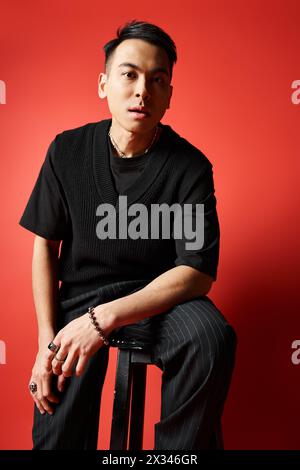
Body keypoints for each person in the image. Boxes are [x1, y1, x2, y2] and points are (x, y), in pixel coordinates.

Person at [19, 19, 237, 450]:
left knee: (210, 336)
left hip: (157, 299)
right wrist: (47, 339)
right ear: (103, 84)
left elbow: (195, 272)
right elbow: (45, 243)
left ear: (169, 95)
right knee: (55, 430)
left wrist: (105, 320)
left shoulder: (190, 167)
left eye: (158, 80)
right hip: (80, 298)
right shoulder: (67, 150)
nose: (143, 90)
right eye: (130, 74)